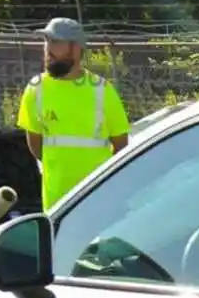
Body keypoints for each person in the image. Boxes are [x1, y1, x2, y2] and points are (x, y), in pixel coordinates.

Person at [17, 18, 129, 211]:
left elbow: (121, 145)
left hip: (98, 200)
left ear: (76, 49)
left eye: (56, 42)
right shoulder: (36, 89)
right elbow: (35, 144)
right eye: (47, 41)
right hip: (57, 204)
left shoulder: (102, 90)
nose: (48, 49)